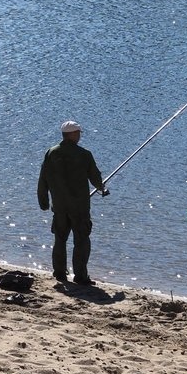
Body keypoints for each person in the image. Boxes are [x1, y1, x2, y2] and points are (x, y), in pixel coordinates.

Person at [37, 119, 108, 286]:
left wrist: (44, 202)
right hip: (80, 207)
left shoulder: (51, 153)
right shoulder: (84, 155)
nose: (79, 137)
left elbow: (43, 180)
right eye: (78, 134)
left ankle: (60, 273)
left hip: (60, 207)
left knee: (60, 239)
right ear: (73, 134)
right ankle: (80, 276)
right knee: (81, 241)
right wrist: (102, 188)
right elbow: (96, 179)